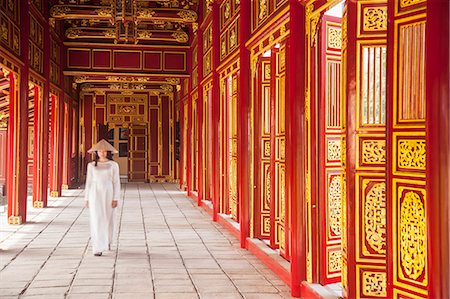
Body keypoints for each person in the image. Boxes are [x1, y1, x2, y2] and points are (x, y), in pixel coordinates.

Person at [84, 139, 121, 256]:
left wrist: (116, 198)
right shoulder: (91, 165)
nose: (102, 153)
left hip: (109, 192)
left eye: (105, 151)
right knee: (96, 218)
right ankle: (98, 247)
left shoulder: (113, 165)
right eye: (100, 151)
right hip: (95, 193)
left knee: (109, 219)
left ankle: (108, 240)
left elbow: (116, 182)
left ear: (108, 152)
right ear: (97, 152)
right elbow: (88, 182)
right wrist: (87, 198)